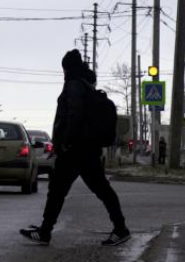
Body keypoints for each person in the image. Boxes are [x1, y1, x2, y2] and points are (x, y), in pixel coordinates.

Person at [20, 49, 130, 246]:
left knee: (59, 191)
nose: (63, 72)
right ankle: (120, 228)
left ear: (68, 68)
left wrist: (66, 141)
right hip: (86, 149)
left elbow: (74, 114)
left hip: (75, 150)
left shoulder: (74, 85)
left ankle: (46, 231)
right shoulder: (85, 84)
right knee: (98, 189)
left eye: (64, 68)